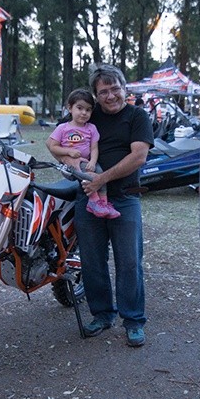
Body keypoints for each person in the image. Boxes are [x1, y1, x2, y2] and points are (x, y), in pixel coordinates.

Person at [54, 63, 154, 347]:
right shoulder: (88, 114)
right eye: (103, 91)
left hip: (125, 197)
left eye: (115, 89)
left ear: (125, 89)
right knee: (92, 262)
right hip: (88, 198)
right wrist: (72, 162)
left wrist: (101, 179)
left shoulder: (137, 116)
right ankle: (102, 314)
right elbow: (59, 138)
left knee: (129, 263)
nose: (110, 96)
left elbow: (138, 157)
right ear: (95, 95)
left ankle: (133, 320)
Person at [47, 88, 120, 219]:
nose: (84, 113)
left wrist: (92, 162)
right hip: (70, 166)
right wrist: (68, 151)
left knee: (101, 175)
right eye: (79, 108)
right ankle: (93, 201)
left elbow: (94, 148)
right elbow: (53, 147)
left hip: (87, 162)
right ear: (70, 108)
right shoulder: (63, 128)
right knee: (89, 177)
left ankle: (103, 203)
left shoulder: (91, 128)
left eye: (88, 110)